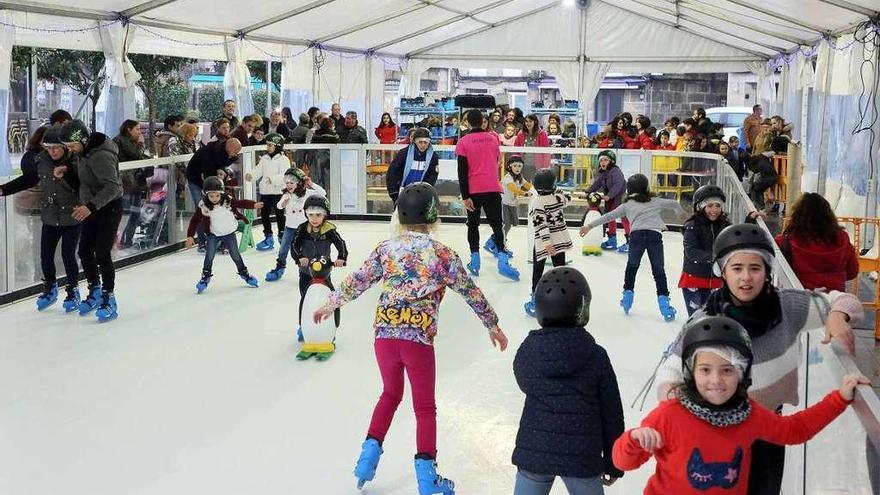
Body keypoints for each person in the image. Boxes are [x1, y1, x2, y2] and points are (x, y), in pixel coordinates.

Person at [311, 182, 508, 493]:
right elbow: (471, 292)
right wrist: (492, 324)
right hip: (417, 340)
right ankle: (428, 478)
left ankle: (366, 461)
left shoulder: (386, 249)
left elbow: (357, 281)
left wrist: (328, 304)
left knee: (390, 394)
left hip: (384, 337)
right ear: (433, 217)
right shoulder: (443, 254)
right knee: (424, 407)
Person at [656, 223, 863, 494]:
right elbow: (670, 372)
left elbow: (847, 301)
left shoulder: (787, 307)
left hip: (767, 431)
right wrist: (686, 414)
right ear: (723, 272)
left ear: (767, 272)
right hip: (717, 433)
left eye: (755, 268)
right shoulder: (707, 321)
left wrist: (837, 316)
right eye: (737, 268)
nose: (746, 278)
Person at [616, 315, 869, 495]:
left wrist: (839, 398)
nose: (715, 380)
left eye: (726, 370)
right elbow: (623, 462)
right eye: (705, 370)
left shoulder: (748, 414)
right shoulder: (670, 415)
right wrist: (634, 440)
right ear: (691, 372)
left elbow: (794, 430)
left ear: (741, 373)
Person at [513, 267, 624, 495]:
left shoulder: (527, 351)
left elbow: (525, 382)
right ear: (583, 308)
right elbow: (611, 412)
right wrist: (614, 461)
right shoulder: (595, 355)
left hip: (535, 451)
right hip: (581, 457)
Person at [580, 173, 685, 321]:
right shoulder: (655, 200)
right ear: (646, 187)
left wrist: (589, 226)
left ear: (629, 189)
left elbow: (608, 216)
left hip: (636, 237)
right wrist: (680, 214)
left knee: (632, 267)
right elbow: (674, 204)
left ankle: (627, 297)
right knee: (658, 271)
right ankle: (664, 305)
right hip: (654, 236)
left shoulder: (627, 205)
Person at [1, 126, 83, 312]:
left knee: (68, 255)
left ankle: (73, 290)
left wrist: (67, 173)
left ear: (65, 147)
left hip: (71, 216)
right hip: (49, 216)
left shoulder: (76, 163)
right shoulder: (42, 161)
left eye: (56, 147)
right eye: (48, 147)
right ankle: (50, 287)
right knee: (45, 255)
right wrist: (4, 190)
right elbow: (27, 180)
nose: (52, 152)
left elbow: (83, 186)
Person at [60, 119, 124, 322]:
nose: (70, 150)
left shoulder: (101, 156)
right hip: (92, 207)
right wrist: (68, 172)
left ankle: (109, 296)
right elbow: (86, 179)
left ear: (84, 140)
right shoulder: (84, 153)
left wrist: (90, 206)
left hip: (109, 206)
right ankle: (95, 289)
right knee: (85, 250)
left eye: (71, 146)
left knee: (102, 253)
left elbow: (112, 187)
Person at [456, 109, 520, 281]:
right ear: (483, 122)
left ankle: (475, 261)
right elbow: (496, 161)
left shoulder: (463, 142)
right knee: (497, 225)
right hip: (492, 187)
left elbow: (462, 172)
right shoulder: (493, 139)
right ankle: (503, 260)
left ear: (468, 122)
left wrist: (465, 196)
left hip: (473, 190)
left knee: (473, 225)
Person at [678, 185, 757, 316]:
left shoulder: (725, 225)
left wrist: (749, 222)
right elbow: (691, 252)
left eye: (718, 206)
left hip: (716, 280)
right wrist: (717, 256)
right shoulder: (692, 226)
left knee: (715, 318)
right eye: (709, 206)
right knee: (697, 318)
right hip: (694, 280)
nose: (714, 210)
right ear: (700, 207)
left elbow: (736, 239)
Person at [185, 176, 261, 292]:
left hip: (229, 233)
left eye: (217, 195)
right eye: (211, 196)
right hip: (213, 234)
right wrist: (190, 236)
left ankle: (244, 273)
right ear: (206, 195)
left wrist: (253, 204)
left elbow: (240, 203)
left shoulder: (228, 201)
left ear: (221, 193)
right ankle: (205, 277)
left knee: (235, 255)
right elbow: (195, 220)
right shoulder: (203, 206)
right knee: (209, 255)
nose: (214, 198)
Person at [775, 192, 859, 292]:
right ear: (828, 215)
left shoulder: (785, 241)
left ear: (796, 215)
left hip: (801, 300)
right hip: (835, 300)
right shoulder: (842, 238)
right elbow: (852, 272)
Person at [291, 195, 347, 340]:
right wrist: (299, 257)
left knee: (330, 297)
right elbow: (294, 245)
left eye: (318, 215)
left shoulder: (329, 230)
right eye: (310, 215)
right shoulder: (303, 228)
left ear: (325, 215)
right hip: (306, 271)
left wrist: (341, 258)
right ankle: (302, 326)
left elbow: (340, 244)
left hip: (323, 272)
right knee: (304, 298)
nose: (314, 218)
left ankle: (332, 326)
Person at [523, 169, 572, 317]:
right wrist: (556, 189)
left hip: (543, 244)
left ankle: (535, 297)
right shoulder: (556, 198)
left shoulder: (537, 203)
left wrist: (547, 243)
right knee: (560, 269)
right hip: (559, 240)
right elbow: (568, 198)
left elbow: (541, 224)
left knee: (538, 270)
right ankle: (564, 298)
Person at [265, 168, 327, 282]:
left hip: (304, 228)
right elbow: (279, 206)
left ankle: (307, 271)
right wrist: (284, 203)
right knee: (283, 249)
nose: (289, 185)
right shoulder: (287, 195)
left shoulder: (308, 193)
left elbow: (323, 193)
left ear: (298, 183)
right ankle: (279, 268)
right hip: (290, 227)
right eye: (287, 183)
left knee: (305, 250)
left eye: (291, 183)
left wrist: (311, 184)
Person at [185, 139, 242, 250]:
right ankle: (202, 242)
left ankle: (218, 241)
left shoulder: (227, 154)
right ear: (229, 148)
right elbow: (206, 173)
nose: (236, 154)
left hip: (212, 183)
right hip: (196, 180)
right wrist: (210, 191)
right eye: (235, 151)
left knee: (217, 211)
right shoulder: (211, 153)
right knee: (202, 210)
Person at [245, 133, 290, 251]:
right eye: (267, 145)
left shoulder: (283, 159)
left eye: (270, 145)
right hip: (265, 192)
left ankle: (282, 236)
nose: (267, 147)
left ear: (278, 146)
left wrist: (273, 179)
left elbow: (285, 175)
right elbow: (258, 170)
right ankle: (268, 237)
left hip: (277, 192)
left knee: (280, 215)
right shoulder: (264, 159)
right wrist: (252, 175)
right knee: (264, 215)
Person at [114, 120, 152, 249]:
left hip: (133, 182)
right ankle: (122, 239)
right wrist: (141, 143)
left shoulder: (127, 142)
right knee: (128, 212)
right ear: (128, 129)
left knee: (135, 212)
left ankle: (126, 239)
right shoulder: (122, 141)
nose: (139, 133)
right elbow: (136, 155)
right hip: (127, 183)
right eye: (137, 129)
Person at [584, 150, 630, 253]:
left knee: (624, 219)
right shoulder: (603, 173)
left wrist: (609, 195)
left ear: (611, 162)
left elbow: (618, 185)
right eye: (601, 160)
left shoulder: (616, 171)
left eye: (605, 160)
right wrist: (588, 191)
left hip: (621, 198)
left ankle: (630, 242)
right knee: (610, 217)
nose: (603, 162)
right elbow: (597, 183)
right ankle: (612, 240)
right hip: (611, 199)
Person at [385, 127, 439, 204]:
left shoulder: (433, 157)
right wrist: (393, 193)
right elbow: (392, 173)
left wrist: (425, 192)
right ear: (415, 141)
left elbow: (432, 176)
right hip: (401, 192)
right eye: (420, 142)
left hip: (422, 195)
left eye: (425, 142)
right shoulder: (403, 154)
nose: (423, 145)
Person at [500, 155, 532, 243]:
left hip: (512, 203)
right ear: (510, 166)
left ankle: (500, 239)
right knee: (506, 224)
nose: (517, 168)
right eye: (515, 166)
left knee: (510, 224)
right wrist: (525, 193)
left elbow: (528, 185)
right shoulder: (508, 178)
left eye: (519, 166)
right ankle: (500, 241)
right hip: (504, 204)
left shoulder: (519, 178)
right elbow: (513, 188)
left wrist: (536, 190)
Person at [514, 114, 551, 179]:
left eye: (530, 121)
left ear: (535, 122)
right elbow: (516, 150)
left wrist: (545, 168)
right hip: (523, 166)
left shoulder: (542, 135)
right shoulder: (520, 134)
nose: (528, 123)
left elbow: (546, 153)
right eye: (526, 121)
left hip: (537, 167)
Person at [310, 117, 339, 188]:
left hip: (317, 161)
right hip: (330, 162)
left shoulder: (315, 137)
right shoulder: (334, 137)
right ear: (331, 126)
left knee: (319, 182)